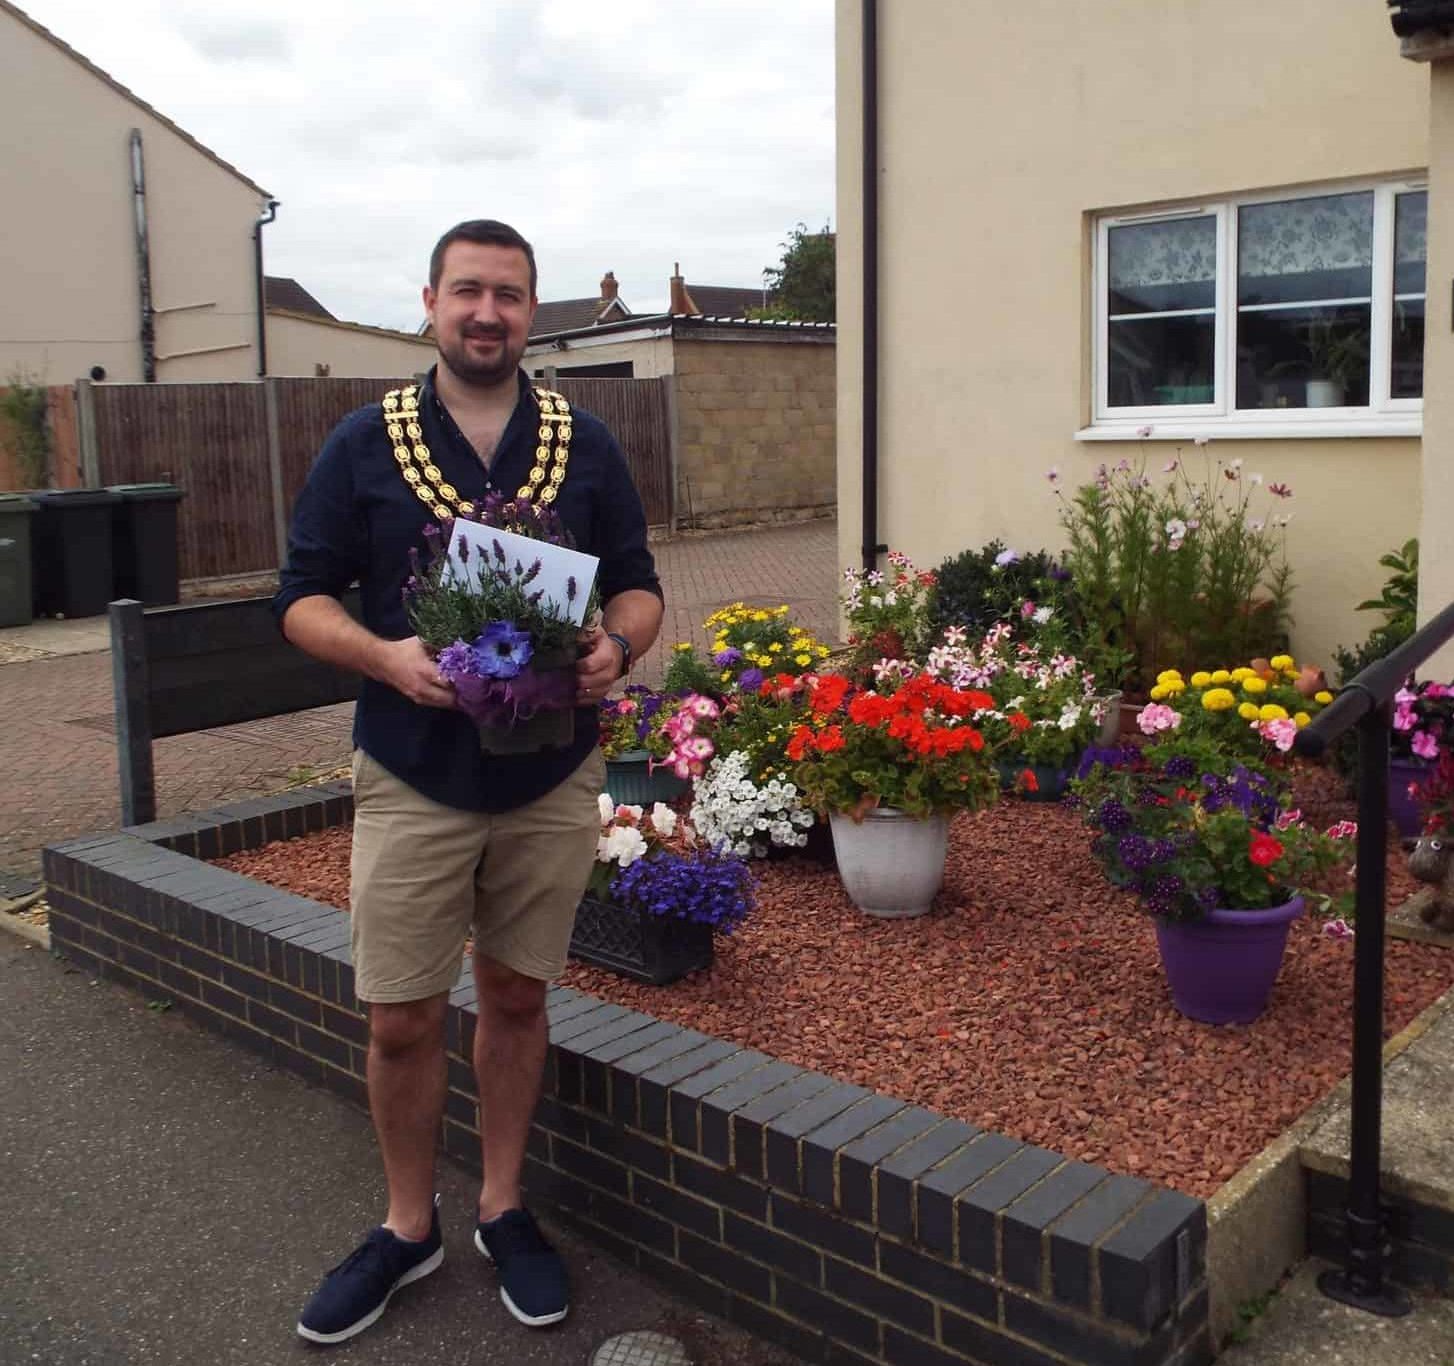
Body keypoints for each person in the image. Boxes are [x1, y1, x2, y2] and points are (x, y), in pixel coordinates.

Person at [273, 219, 663, 1345]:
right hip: (412, 770)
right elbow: (300, 597)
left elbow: (637, 586)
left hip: (547, 773)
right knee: (398, 1016)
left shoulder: (580, 444)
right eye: (467, 292)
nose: (486, 312)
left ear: (531, 312)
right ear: (430, 303)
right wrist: (386, 655)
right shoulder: (365, 441)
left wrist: (616, 649)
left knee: (517, 996)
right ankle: (408, 1227)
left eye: (507, 294)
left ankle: (501, 1207)